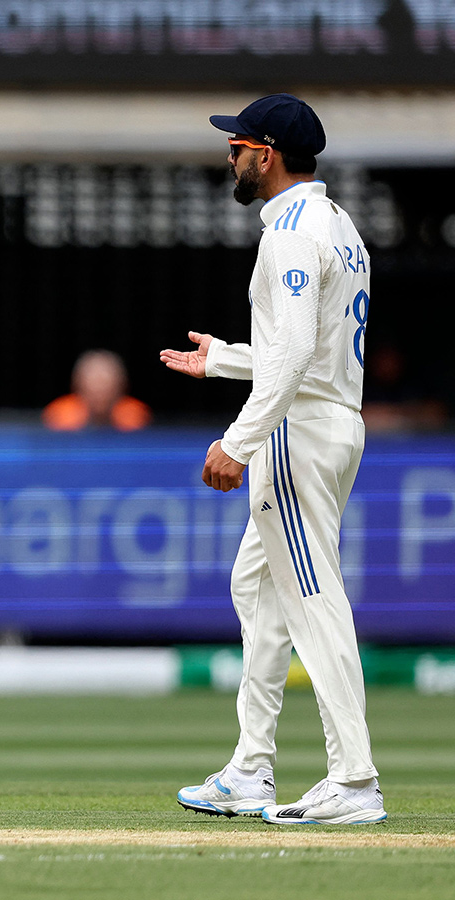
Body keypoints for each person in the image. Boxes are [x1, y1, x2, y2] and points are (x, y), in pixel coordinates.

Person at [160, 94, 384, 825]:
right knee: (257, 590)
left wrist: (238, 440)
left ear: (269, 153)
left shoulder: (290, 231)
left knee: (314, 596)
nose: (230, 156)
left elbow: (290, 362)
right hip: (329, 418)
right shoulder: (339, 226)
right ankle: (252, 768)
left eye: (239, 146)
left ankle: (353, 780)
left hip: (299, 431)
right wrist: (223, 360)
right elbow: (307, 354)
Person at [42, 349, 151, 431]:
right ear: (76, 385)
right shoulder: (59, 416)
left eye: (106, 383)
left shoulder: (137, 417)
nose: (100, 391)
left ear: (122, 386)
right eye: (93, 383)